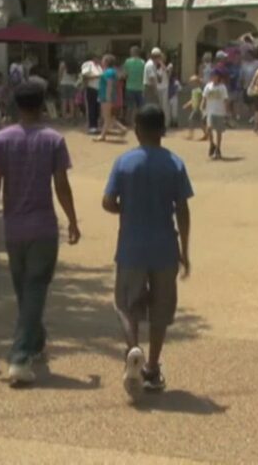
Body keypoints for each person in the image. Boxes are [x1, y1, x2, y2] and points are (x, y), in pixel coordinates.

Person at [0, 81, 80, 387]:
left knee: (25, 289)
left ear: (16, 106)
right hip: (43, 226)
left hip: (14, 228)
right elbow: (61, 185)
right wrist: (72, 220)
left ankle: (34, 341)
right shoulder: (53, 139)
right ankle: (20, 356)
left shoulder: (2, 139)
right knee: (34, 288)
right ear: (42, 106)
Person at [102, 105, 193, 400]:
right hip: (165, 247)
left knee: (125, 305)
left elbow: (107, 201)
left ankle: (133, 350)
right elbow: (183, 210)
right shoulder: (175, 164)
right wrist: (184, 250)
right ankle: (152, 367)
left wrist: (126, 209)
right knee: (160, 310)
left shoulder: (124, 162)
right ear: (163, 130)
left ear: (137, 130)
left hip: (131, 246)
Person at [95, 54, 124, 142]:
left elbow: (110, 84)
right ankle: (122, 128)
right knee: (108, 116)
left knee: (106, 117)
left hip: (106, 97)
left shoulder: (109, 72)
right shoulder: (110, 71)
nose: (102, 61)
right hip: (105, 96)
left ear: (106, 62)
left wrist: (108, 96)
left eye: (103, 60)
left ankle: (102, 135)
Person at [202, 67, 230, 160]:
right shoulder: (208, 86)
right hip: (210, 111)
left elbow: (225, 100)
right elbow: (204, 97)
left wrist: (226, 112)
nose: (213, 77)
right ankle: (212, 144)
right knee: (209, 128)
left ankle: (218, 148)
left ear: (219, 77)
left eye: (215, 75)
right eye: (212, 75)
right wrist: (203, 106)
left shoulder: (222, 87)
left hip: (219, 111)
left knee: (218, 131)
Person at [123, 46, 146, 125]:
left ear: (132, 52)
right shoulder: (143, 62)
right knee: (140, 106)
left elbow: (125, 75)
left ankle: (129, 121)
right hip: (140, 87)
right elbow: (143, 75)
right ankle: (138, 121)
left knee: (130, 106)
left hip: (129, 87)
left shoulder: (127, 62)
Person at [80, 56, 103, 134]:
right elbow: (85, 76)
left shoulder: (99, 67)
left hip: (98, 90)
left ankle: (95, 126)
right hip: (91, 88)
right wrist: (97, 76)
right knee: (91, 108)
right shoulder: (88, 64)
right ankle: (92, 127)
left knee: (96, 109)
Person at [182, 75, 205, 140]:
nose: (191, 83)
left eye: (192, 82)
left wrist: (200, 106)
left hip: (197, 108)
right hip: (195, 108)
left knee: (191, 120)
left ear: (196, 82)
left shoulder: (199, 90)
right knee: (201, 123)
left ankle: (190, 135)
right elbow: (193, 99)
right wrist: (187, 104)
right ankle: (206, 134)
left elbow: (201, 99)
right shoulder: (194, 90)